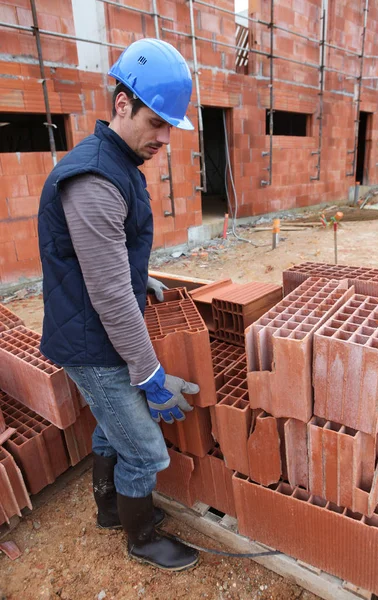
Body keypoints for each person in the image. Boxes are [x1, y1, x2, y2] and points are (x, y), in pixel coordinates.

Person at [38, 39, 200, 571]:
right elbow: (107, 292)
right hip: (93, 342)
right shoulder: (94, 179)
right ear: (122, 103)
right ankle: (141, 537)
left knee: (112, 425)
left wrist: (142, 276)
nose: (164, 138)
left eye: (170, 127)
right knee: (146, 450)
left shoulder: (118, 162)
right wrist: (150, 374)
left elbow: (105, 255)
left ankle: (111, 508)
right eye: (156, 123)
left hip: (94, 330)